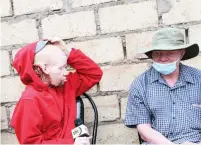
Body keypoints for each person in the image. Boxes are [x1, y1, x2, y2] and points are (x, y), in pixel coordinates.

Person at [11, 38, 103, 144]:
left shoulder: (66, 85)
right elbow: (31, 143)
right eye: (61, 68)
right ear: (44, 68)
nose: (66, 72)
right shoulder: (29, 100)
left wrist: (67, 52)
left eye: (66, 67)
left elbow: (94, 74)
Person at [124, 27, 201, 144]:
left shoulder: (198, 79)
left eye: (169, 53)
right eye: (157, 53)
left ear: (182, 53)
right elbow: (144, 130)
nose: (163, 58)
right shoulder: (140, 84)